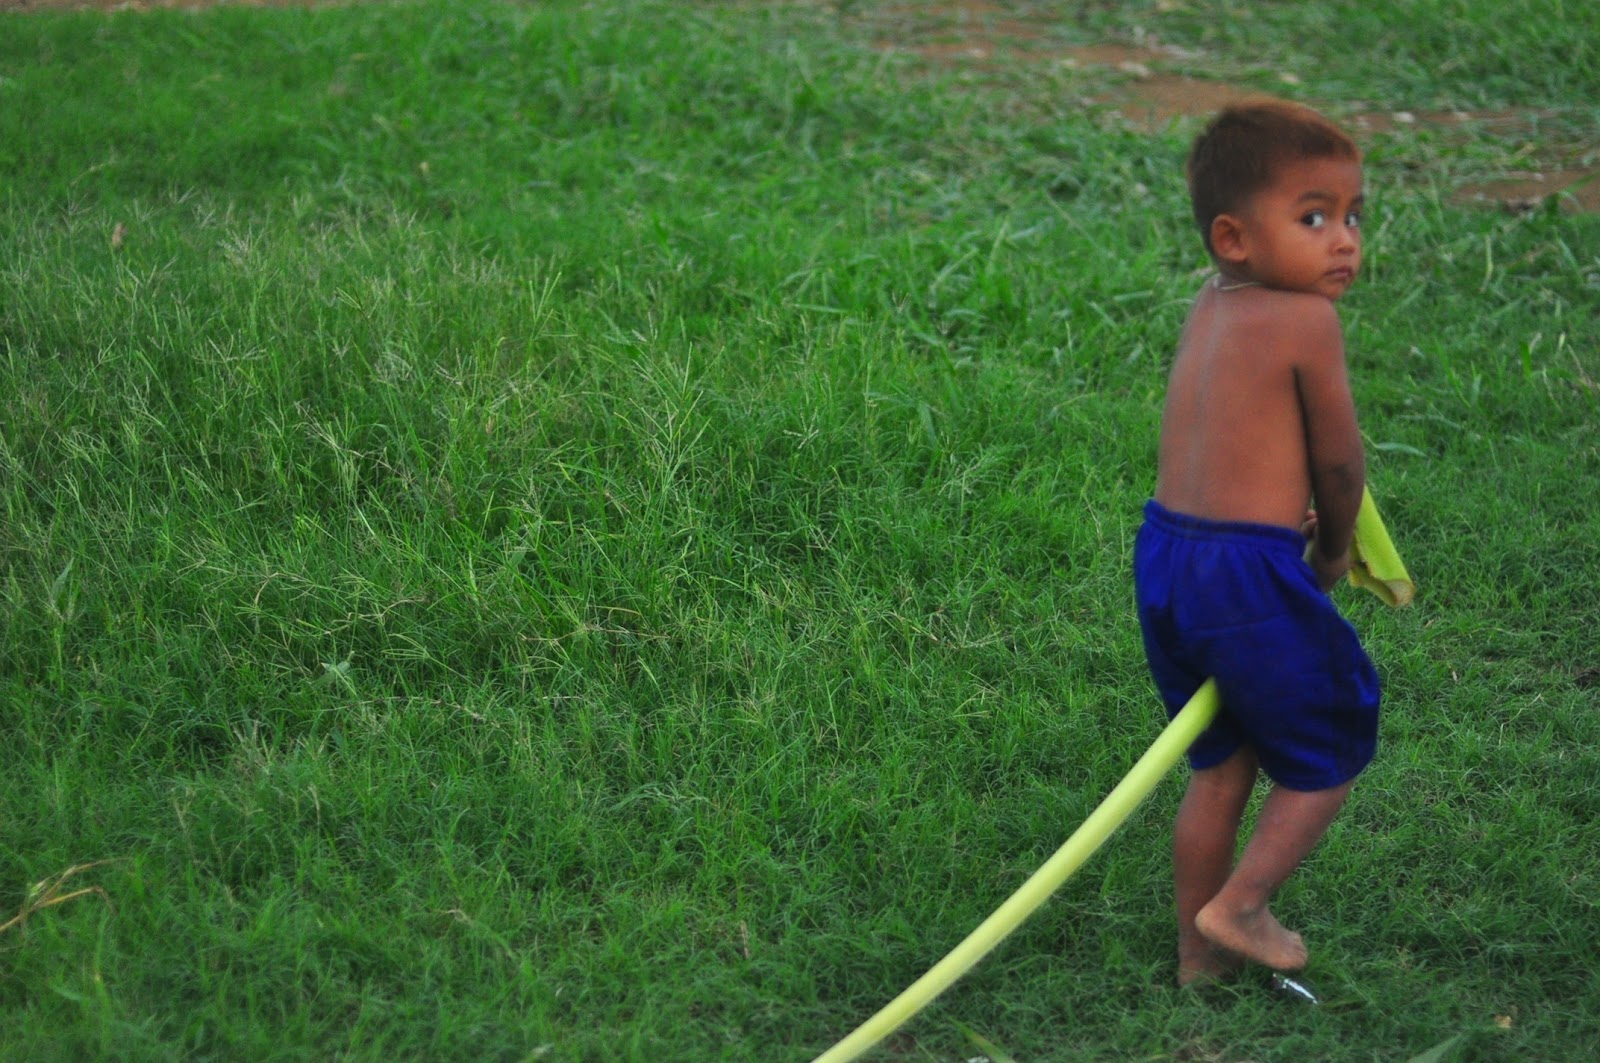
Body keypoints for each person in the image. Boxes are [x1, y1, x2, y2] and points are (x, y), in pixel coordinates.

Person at [1133, 99, 1380, 986]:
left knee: (1220, 765)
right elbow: (1339, 464)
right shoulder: (1307, 322)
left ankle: (1198, 959)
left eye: (1353, 216)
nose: (1343, 240)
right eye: (1313, 218)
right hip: (1246, 575)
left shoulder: (1212, 302)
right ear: (1234, 237)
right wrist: (1332, 551)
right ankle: (1240, 906)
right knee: (1331, 746)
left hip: (1168, 557)